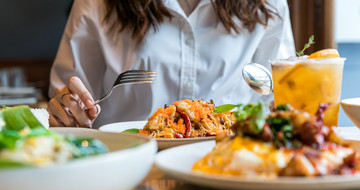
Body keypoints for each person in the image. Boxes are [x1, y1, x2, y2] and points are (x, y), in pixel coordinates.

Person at [48, 0, 295, 128]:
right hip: (126, 171)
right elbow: (70, 102)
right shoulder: (97, 4)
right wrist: (68, 111)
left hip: (229, 171)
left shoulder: (268, 4)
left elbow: (279, 96)